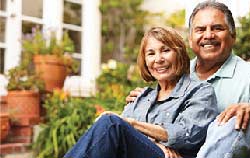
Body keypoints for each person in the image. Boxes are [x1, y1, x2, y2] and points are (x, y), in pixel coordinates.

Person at [126, 2, 250, 158]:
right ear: (190, 39)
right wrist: (145, 101)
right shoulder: (175, 73)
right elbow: (168, 129)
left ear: (233, 35)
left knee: (232, 120)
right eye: (200, 29)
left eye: (217, 28)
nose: (208, 35)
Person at [64, 27, 219, 158]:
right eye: (151, 54)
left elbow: (185, 134)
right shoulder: (141, 97)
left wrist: (132, 124)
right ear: (145, 61)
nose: (158, 59)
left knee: (110, 123)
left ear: (179, 54)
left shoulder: (200, 92)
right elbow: (120, 139)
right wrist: (155, 143)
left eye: (165, 50)